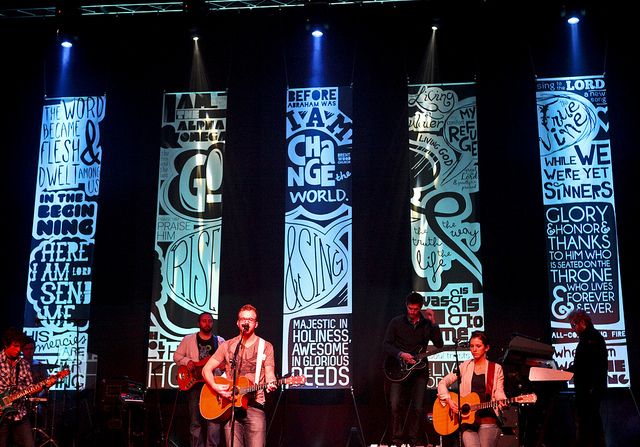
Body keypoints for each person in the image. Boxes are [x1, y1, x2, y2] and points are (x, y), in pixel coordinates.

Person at [201, 304, 277, 447]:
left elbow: (270, 373)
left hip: (255, 405)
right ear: (238, 323)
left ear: (256, 324)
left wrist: (272, 382)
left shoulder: (266, 346)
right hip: (230, 408)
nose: (246, 322)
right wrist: (216, 387)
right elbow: (206, 369)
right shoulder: (227, 345)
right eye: (243, 319)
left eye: (250, 319)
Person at [383, 291, 443, 446]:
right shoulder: (396, 322)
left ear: (421, 308)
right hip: (398, 369)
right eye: (410, 308)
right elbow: (386, 345)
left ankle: (413, 439)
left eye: (416, 309)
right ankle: (397, 439)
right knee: (395, 403)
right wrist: (401, 354)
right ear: (406, 306)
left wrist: (433, 322)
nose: (412, 312)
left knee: (417, 406)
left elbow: (439, 345)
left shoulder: (427, 324)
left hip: (420, 370)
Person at [437, 330, 506, 447]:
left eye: (478, 346)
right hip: (468, 422)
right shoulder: (465, 366)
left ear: (487, 348)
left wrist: (502, 400)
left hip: (487, 420)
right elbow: (443, 382)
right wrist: (448, 400)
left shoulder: (496, 368)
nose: (474, 349)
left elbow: (499, 391)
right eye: (472, 346)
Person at [174, 312, 226, 447]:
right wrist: (187, 361)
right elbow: (177, 356)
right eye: (204, 321)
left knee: (214, 420)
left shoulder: (220, 341)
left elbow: (227, 362)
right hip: (195, 386)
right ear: (198, 323)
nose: (207, 323)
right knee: (195, 421)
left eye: (210, 321)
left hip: (212, 386)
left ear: (212, 323)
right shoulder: (188, 339)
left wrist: (223, 366)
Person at [567, 309, 608, 447]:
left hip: (589, 391)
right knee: (592, 425)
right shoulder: (591, 337)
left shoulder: (591, 338)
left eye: (573, 325)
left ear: (582, 322)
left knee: (588, 426)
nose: (573, 329)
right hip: (590, 390)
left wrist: (566, 372)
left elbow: (586, 365)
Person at [0, 327, 35, 447]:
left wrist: (44, 386)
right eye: (15, 346)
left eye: (19, 346)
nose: (18, 350)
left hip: (20, 413)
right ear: (6, 345)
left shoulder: (24, 364)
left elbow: (30, 388)